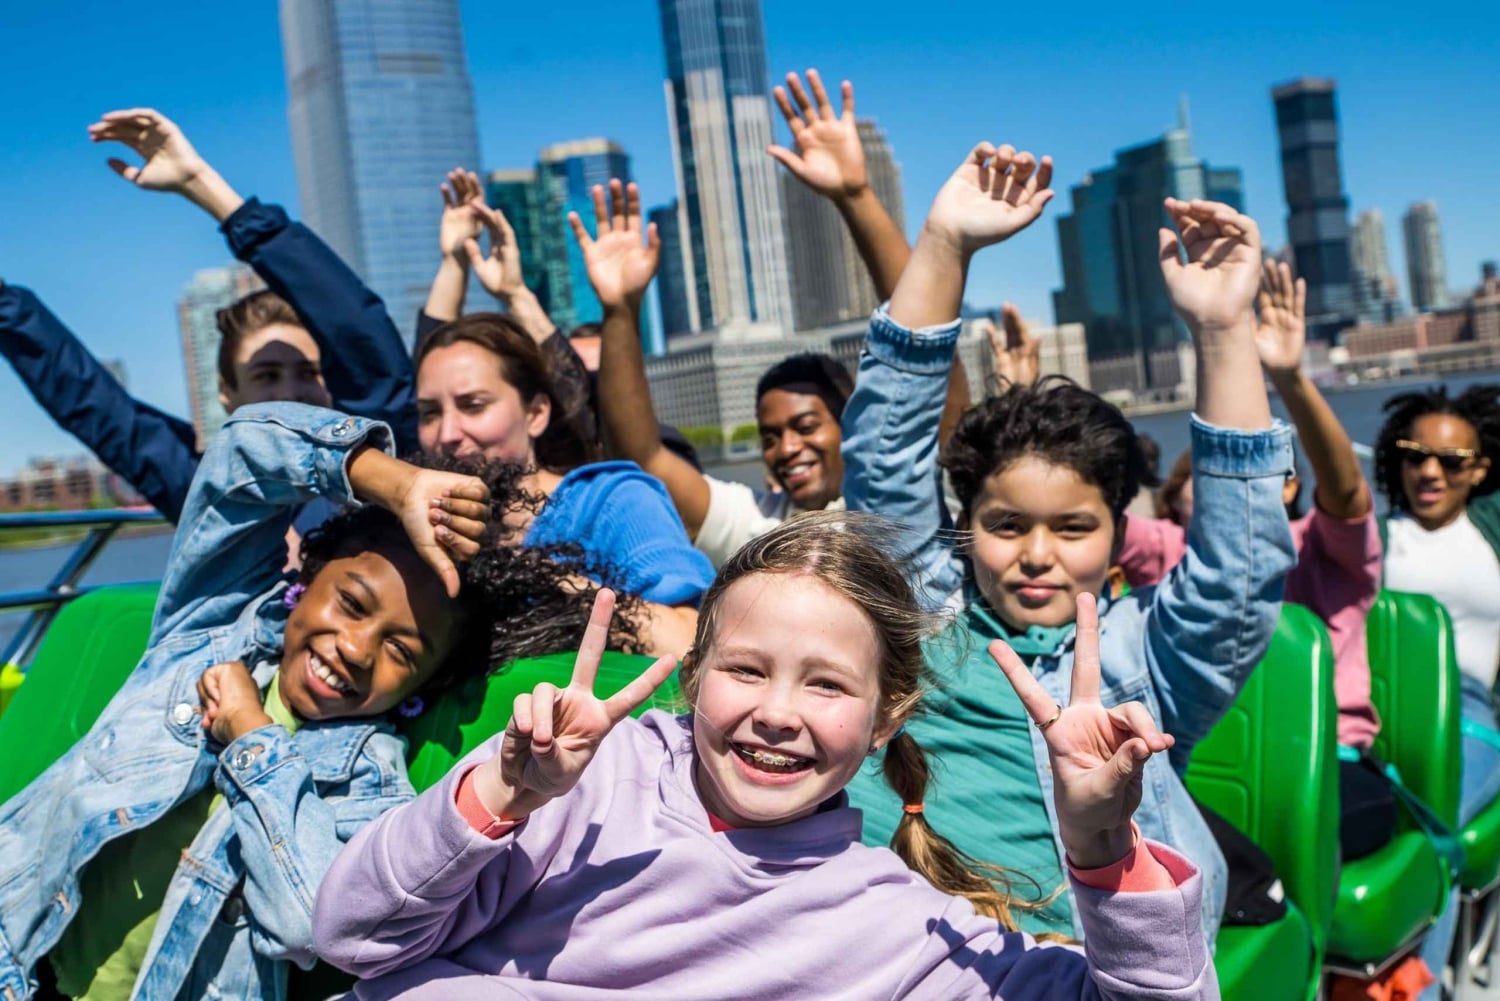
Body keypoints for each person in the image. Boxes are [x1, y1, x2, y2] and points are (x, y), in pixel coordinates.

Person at [312, 513, 1217, 1000]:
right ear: (696, 675)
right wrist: (505, 790)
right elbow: (354, 938)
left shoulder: (900, 930)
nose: (778, 714)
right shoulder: (582, 786)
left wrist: (1102, 839)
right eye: (746, 670)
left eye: (826, 686)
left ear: (885, 718)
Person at [840, 145, 1295, 945]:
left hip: (1066, 959)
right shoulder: (922, 610)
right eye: (1006, 525)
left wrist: (1224, 327)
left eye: (1074, 527)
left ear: (1121, 529)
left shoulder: (1143, 659)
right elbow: (883, 451)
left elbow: (1237, 572)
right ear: (966, 525)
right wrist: (945, 243)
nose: (1037, 553)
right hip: (878, 933)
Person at [0, 401, 525, 1000]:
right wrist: (397, 483)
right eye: (351, 603)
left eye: (400, 652)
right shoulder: (207, 629)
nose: (355, 649)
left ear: (421, 686)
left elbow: (311, 923)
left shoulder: (369, 781)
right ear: (308, 577)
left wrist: (252, 738)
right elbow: (240, 452)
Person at [591, 71, 960, 568]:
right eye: (770, 437)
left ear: (854, 422)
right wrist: (620, 310)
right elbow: (644, 459)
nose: (787, 449)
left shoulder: (908, 500)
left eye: (806, 426)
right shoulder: (759, 527)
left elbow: (923, 344)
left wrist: (855, 197)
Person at [0, 109, 417, 527]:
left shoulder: (378, 474)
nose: (291, 391)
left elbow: (359, 332)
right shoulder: (208, 495)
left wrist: (199, 183)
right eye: (267, 376)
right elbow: (92, 404)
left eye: (308, 372)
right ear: (227, 395)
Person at [1114, 260, 1393, 862]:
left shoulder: (1323, 548)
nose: (1239, 483)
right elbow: (1084, 527)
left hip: (1332, 761)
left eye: (1270, 470)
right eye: (1206, 474)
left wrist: (1289, 378)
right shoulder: (1174, 550)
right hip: (1200, 755)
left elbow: (1347, 496)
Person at [413, 297, 713, 654]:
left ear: (536, 413)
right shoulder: (423, 525)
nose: (447, 433)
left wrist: (533, 577)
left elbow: (692, 643)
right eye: (429, 413)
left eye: (473, 406)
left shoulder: (612, 501)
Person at [1374, 382, 1500, 999]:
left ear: (1478, 469)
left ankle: (1416, 991)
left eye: (1450, 461)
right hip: (1379, 719)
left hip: (1472, 717)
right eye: (1413, 454)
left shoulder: (1491, 526)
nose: (1429, 471)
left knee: (1430, 828)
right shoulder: (1375, 535)